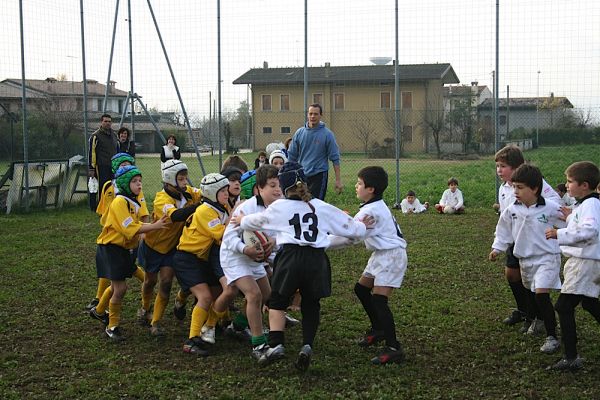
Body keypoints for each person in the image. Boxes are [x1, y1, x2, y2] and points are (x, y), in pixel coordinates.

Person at [230, 161, 371, 371]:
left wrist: (242, 220)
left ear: (284, 186)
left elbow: (257, 221)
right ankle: (307, 345)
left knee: (277, 301)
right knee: (311, 303)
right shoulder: (320, 206)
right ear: (305, 182)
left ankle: (276, 344)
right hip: (316, 259)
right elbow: (354, 230)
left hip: (290, 257)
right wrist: (361, 226)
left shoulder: (280, 206)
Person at [489, 164, 564, 354]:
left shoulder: (551, 208)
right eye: (514, 187)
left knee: (541, 293)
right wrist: (497, 248)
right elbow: (503, 231)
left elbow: (570, 223)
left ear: (535, 189)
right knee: (532, 293)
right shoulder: (512, 210)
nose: (515, 191)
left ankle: (552, 336)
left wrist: (570, 228)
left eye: (520, 187)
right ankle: (538, 321)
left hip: (547, 258)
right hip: (525, 260)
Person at [94, 166, 170, 341]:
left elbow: (138, 225)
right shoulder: (120, 202)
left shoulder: (132, 201)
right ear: (125, 184)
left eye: (140, 181)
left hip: (122, 249)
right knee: (120, 288)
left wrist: (151, 228)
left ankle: (99, 311)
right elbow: (130, 228)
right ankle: (112, 327)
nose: (139, 185)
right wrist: (155, 226)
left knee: (115, 287)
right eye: (135, 181)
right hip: (111, 248)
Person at [219, 165, 281, 362]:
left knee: (266, 294)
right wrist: (245, 249)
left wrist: (274, 242)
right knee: (253, 294)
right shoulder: (246, 208)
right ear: (259, 188)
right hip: (235, 256)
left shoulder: (279, 207)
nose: (278, 189)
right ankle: (259, 346)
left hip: (254, 256)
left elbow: (281, 234)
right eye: (272, 185)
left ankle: (237, 326)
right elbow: (227, 237)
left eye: (279, 184)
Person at [545, 161, 600, 371]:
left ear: (584, 185)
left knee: (563, 306)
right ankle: (571, 356)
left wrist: (559, 233)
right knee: (589, 303)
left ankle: (571, 358)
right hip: (585, 261)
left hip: (585, 262)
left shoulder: (591, 205)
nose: (567, 186)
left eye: (570, 182)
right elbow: (582, 226)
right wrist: (569, 218)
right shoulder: (585, 204)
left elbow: (589, 232)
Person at [350, 166, 407, 365]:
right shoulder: (374, 206)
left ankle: (393, 347)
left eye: (359, 183)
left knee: (379, 300)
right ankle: (378, 329)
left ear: (371, 189)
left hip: (391, 256)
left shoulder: (371, 211)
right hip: (381, 255)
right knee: (361, 289)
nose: (356, 186)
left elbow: (352, 233)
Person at [138, 160, 202, 336]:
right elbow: (176, 216)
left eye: (185, 178)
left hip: (171, 249)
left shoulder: (188, 193)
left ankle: (155, 322)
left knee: (166, 282)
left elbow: (203, 193)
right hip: (152, 247)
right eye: (181, 179)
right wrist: (198, 206)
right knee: (150, 281)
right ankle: (144, 308)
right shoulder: (161, 199)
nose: (185, 182)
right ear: (169, 180)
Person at [172, 173, 230, 356]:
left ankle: (208, 325)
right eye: (223, 191)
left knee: (219, 292)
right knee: (205, 297)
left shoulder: (221, 207)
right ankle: (192, 340)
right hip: (186, 258)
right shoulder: (205, 210)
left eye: (227, 190)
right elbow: (221, 235)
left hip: (200, 259)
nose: (227, 194)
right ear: (212, 193)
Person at [86, 153, 149, 313]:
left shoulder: (135, 188)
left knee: (125, 271)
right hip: (112, 234)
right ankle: (99, 300)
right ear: (116, 169)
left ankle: (144, 301)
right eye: (122, 165)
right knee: (112, 272)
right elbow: (103, 210)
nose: (125, 167)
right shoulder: (108, 187)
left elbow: (142, 212)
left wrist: (145, 230)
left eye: (128, 164)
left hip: (128, 236)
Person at [288, 104, 343, 200]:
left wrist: (338, 180)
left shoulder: (327, 134)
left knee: (316, 204)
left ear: (321, 115)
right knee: (300, 203)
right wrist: (289, 175)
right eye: (311, 113)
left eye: (316, 114)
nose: (313, 116)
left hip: (319, 175)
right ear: (307, 115)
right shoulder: (299, 133)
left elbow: (335, 158)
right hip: (302, 175)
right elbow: (292, 156)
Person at [88, 114, 118, 208]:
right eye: (105, 121)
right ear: (101, 122)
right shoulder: (95, 136)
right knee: (102, 186)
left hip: (113, 165)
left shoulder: (114, 135)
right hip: (101, 165)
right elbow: (92, 152)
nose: (107, 123)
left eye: (109, 121)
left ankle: (111, 205)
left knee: (112, 186)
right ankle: (101, 207)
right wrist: (92, 168)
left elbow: (116, 150)